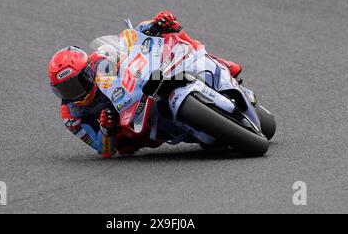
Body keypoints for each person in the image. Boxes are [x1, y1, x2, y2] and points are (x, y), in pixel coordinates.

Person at [48, 11, 242, 158]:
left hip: (140, 85)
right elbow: (104, 150)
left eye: (77, 83)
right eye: (65, 89)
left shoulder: (101, 57)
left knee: (172, 34)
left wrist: (155, 25)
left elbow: (130, 38)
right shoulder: (71, 115)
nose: (74, 93)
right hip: (130, 124)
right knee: (126, 147)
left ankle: (219, 63)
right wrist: (107, 130)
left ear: (88, 71)